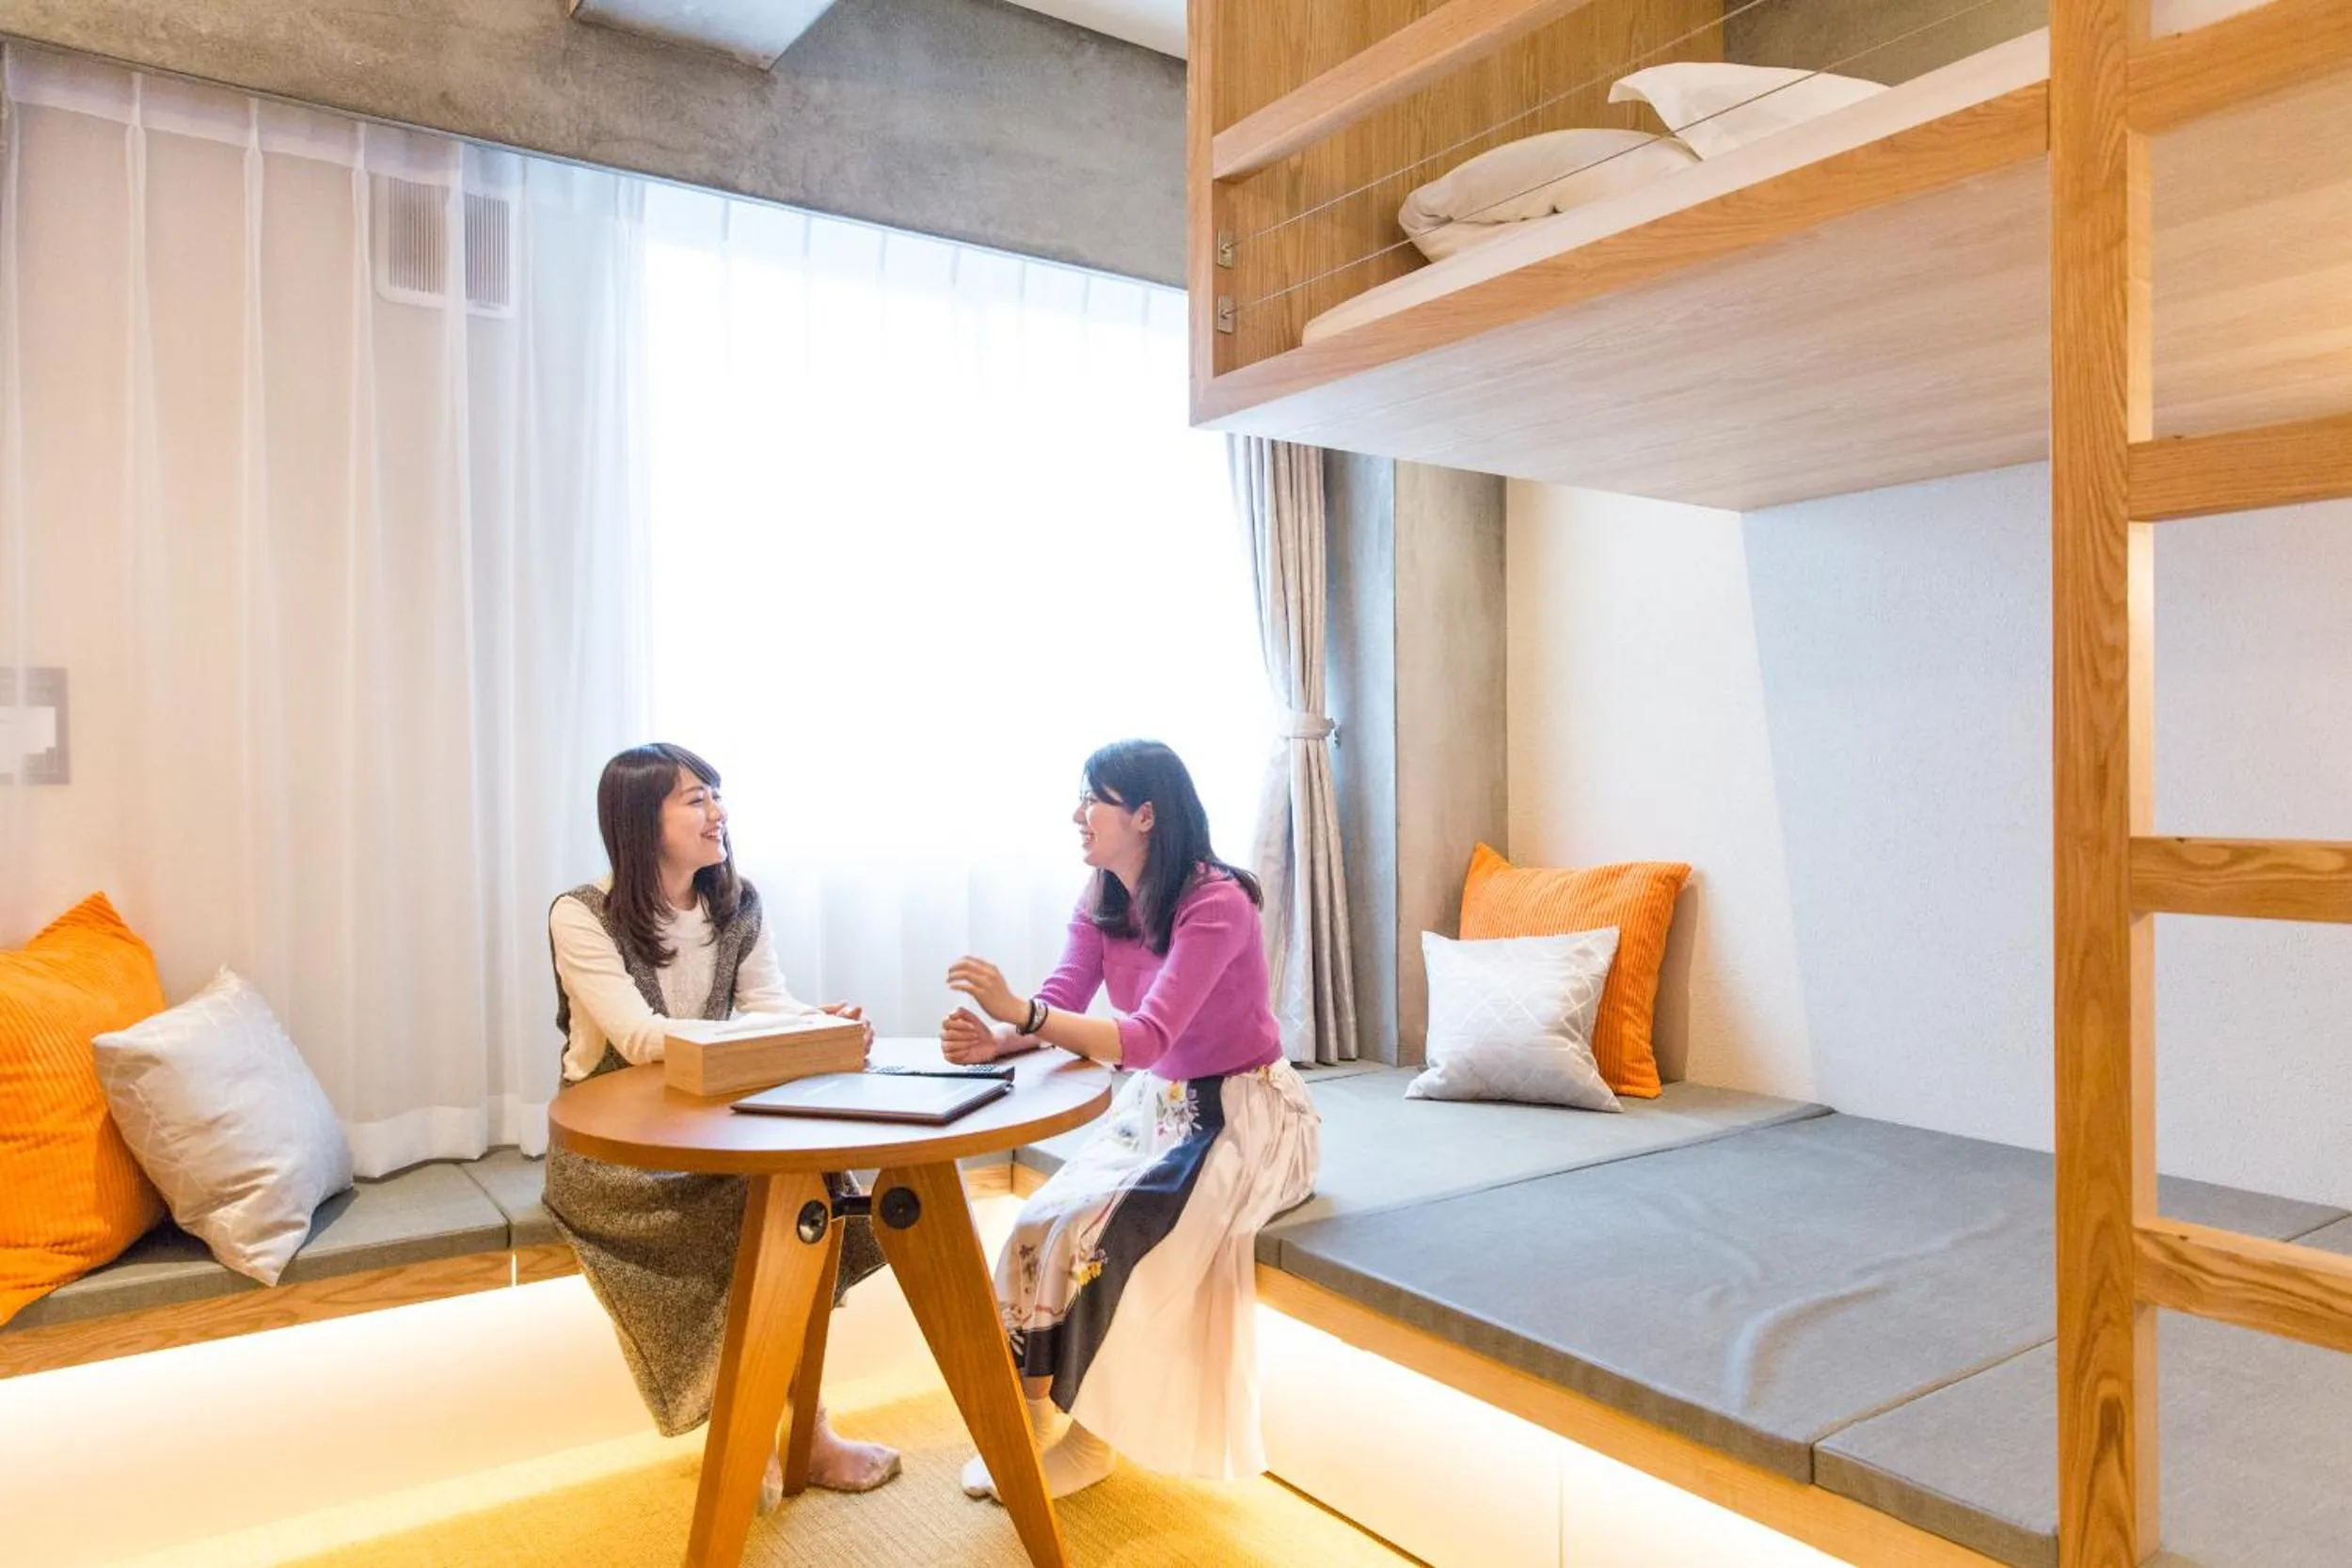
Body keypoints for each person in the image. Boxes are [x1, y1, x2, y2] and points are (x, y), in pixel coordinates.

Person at [940, 738, 1320, 1502]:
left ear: (1145, 814)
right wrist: (1001, 1038)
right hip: (1161, 1107)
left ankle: (1090, 1442)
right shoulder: (1101, 895)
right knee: (1039, 1221)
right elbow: (1066, 998)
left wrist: (1023, 1012)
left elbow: (1147, 1035)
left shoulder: (1217, 902)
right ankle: (1020, 1424)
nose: (1077, 814)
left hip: (1245, 1115)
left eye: (1093, 798)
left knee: (1105, 1241)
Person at [543, 742, 900, 1504]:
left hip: (710, 1128)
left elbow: (768, 1002)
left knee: (813, 1192)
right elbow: (640, 1039)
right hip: (620, 1157)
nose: (718, 813)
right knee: (770, 1210)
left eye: (716, 795)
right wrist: (780, 1034)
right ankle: (762, 1426)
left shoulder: (737, 901)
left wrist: (816, 1024)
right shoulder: (581, 915)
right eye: (696, 799)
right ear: (642, 821)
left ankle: (804, 1432)